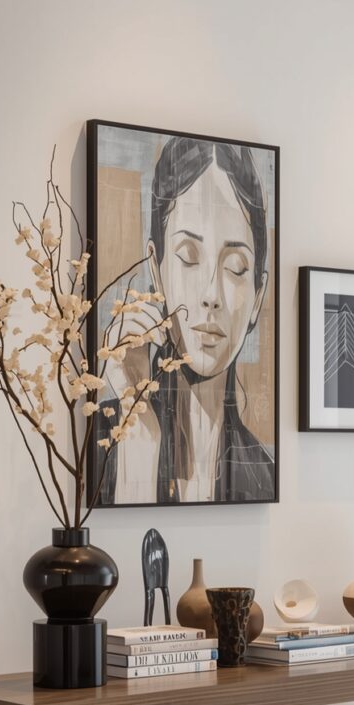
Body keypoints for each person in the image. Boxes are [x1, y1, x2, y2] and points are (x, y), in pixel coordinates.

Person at [102, 136, 275, 504]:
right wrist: (140, 434)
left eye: (235, 267)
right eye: (188, 256)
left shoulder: (265, 476)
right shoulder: (97, 443)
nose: (211, 294)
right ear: (156, 267)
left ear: (258, 294)